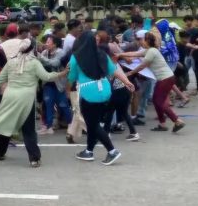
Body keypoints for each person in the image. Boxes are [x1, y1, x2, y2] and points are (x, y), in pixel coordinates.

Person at [0, 39, 68, 167]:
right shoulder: (34, 63)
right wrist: (63, 73)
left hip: (9, 96)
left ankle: (0, 153)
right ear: (32, 49)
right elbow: (47, 77)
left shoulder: (11, 62)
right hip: (26, 98)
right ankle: (34, 158)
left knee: (6, 123)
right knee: (28, 129)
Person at [69, 31, 134, 165]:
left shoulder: (76, 57)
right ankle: (89, 151)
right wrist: (126, 81)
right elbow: (113, 70)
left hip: (88, 92)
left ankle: (112, 151)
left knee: (92, 124)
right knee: (94, 122)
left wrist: (69, 90)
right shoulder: (102, 54)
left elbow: (72, 77)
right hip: (105, 89)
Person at [118, 32, 188, 133]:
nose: (141, 41)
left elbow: (143, 65)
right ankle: (162, 124)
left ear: (148, 41)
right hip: (166, 78)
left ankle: (177, 120)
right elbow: (134, 54)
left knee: (159, 102)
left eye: (143, 39)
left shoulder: (151, 52)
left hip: (165, 79)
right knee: (157, 101)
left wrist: (130, 73)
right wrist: (120, 54)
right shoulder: (150, 50)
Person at [101, 45, 140, 141]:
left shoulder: (108, 64)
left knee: (110, 111)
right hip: (124, 90)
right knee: (122, 112)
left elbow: (110, 79)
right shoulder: (115, 63)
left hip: (117, 91)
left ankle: (106, 132)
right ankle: (133, 132)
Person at [37, 35, 72, 135]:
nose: (46, 44)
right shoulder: (45, 52)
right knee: (48, 103)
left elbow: (55, 63)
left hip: (59, 82)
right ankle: (48, 126)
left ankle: (70, 124)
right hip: (48, 82)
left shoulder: (60, 52)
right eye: (46, 42)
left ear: (55, 44)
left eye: (48, 42)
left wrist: (41, 57)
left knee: (63, 104)